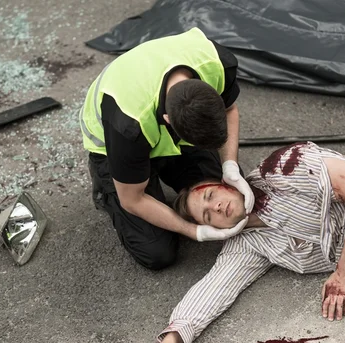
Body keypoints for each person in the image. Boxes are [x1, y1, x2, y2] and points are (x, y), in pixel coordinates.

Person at [140, 141, 345, 343]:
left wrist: (344, 273)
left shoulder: (284, 167)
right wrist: (170, 340)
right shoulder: (250, 244)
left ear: (225, 183)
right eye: (208, 216)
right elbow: (215, 287)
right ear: (211, 231)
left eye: (211, 196)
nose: (216, 207)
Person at [79, 27, 255, 270]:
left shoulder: (216, 63)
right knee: (157, 252)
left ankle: (182, 173)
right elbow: (133, 201)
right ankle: (105, 190)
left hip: (154, 119)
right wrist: (193, 230)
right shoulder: (127, 125)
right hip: (114, 146)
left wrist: (230, 164)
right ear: (169, 121)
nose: (215, 206)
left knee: (221, 184)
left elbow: (229, 110)